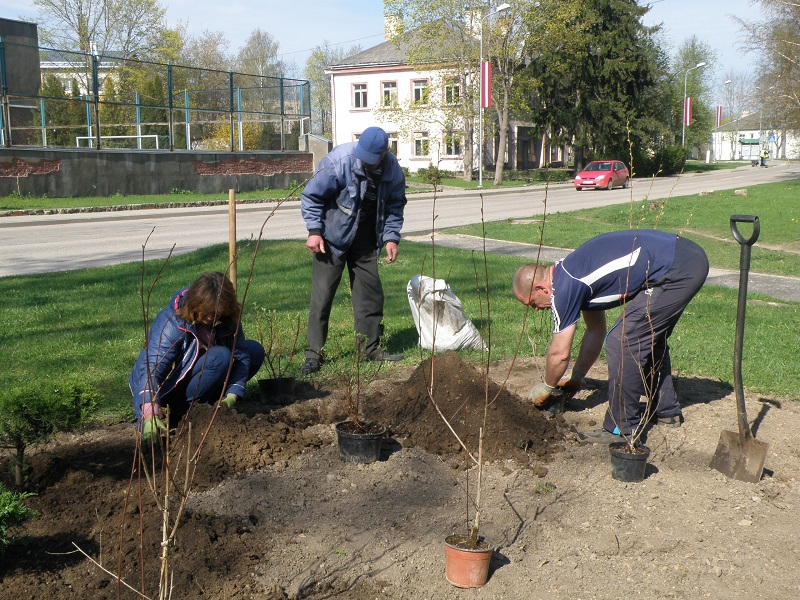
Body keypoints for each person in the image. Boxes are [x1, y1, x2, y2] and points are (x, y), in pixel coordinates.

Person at [513, 230, 709, 444]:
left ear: (541, 288)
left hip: (675, 269)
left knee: (624, 341)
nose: (534, 309)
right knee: (646, 336)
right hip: (684, 258)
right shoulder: (570, 274)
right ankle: (666, 411)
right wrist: (577, 377)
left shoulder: (564, 287)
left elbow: (559, 354)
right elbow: (595, 331)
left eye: (531, 302)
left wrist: (547, 386)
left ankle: (621, 427)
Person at [299, 126, 407, 375]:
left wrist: (391, 238)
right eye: (364, 156)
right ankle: (313, 355)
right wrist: (314, 231)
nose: (366, 162)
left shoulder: (392, 170)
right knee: (322, 297)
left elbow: (395, 205)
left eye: (372, 158)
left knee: (370, 295)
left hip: (367, 239)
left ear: (384, 153)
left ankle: (369, 349)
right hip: (332, 239)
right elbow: (311, 196)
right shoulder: (339, 161)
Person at [129, 272, 265, 441]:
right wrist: (149, 417)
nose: (210, 318)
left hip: (201, 374)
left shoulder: (227, 319)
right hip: (166, 387)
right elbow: (152, 370)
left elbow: (242, 356)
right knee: (220, 356)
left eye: (217, 314)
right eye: (207, 312)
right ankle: (183, 411)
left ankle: (210, 405)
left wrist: (233, 394)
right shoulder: (172, 323)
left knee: (254, 351)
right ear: (195, 304)